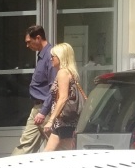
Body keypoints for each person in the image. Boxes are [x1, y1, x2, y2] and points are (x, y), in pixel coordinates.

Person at [11, 24, 53, 156]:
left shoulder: (51, 56)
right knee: (25, 146)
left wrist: (44, 111)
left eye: (29, 42)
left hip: (47, 110)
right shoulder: (42, 55)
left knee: (53, 150)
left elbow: (54, 87)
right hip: (38, 108)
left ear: (38, 38)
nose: (27, 46)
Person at [42, 42, 86, 152]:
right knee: (48, 153)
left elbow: (63, 98)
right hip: (62, 123)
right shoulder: (70, 72)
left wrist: (51, 120)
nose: (51, 59)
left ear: (61, 57)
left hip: (65, 122)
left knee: (66, 155)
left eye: (53, 56)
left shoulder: (63, 73)